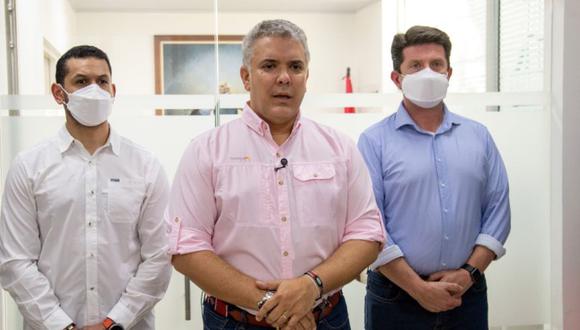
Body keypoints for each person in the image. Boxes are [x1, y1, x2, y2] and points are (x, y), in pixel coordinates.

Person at [166, 19, 385, 330]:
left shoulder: (340, 149)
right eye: (269, 66)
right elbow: (186, 247)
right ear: (245, 76)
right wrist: (272, 305)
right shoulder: (207, 151)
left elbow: (367, 233)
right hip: (237, 321)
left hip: (324, 317)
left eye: (295, 67)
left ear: (307, 76)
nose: (284, 78)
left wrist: (312, 286)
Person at [0, 45, 172, 330]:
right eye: (81, 82)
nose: (95, 90)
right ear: (59, 93)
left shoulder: (145, 165)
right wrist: (61, 326)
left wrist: (113, 323)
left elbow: (159, 256)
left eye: (102, 81)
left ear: (113, 90)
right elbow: (16, 261)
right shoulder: (29, 166)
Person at [358, 26, 511, 329]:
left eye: (436, 65)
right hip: (395, 296)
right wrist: (418, 288)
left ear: (448, 72)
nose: (427, 73)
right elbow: (369, 224)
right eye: (415, 65)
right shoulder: (374, 141)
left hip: (467, 292)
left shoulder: (478, 136)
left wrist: (469, 273)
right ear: (396, 77)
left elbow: (498, 212)